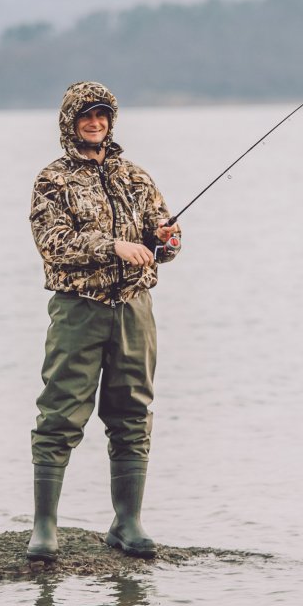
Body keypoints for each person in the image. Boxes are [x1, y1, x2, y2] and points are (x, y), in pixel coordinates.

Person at [27, 81, 182, 562]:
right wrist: (111, 245)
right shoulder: (52, 179)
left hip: (134, 309)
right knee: (59, 415)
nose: (95, 122)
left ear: (111, 121)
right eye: (85, 115)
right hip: (78, 309)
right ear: (69, 122)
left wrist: (167, 241)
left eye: (102, 114)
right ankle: (44, 527)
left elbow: (164, 242)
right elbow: (52, 242)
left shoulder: (135, 177)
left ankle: (127, 522)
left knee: (133, 413)